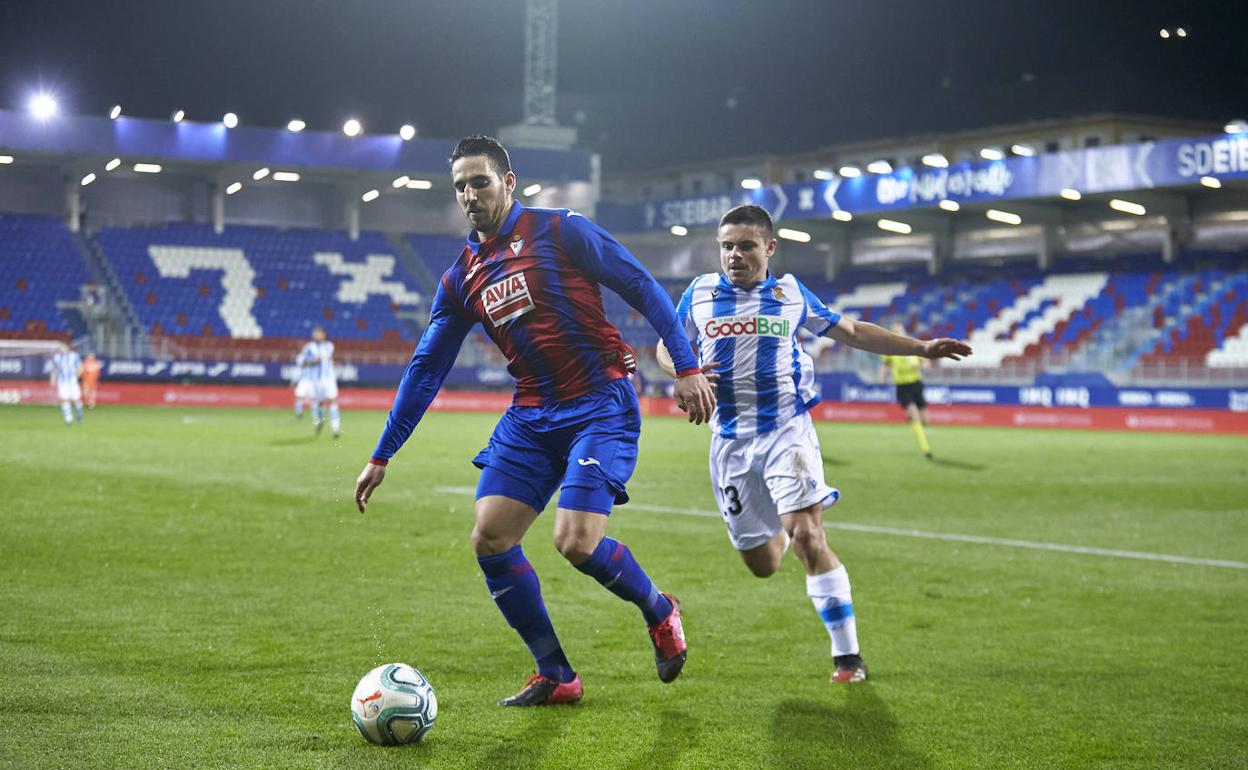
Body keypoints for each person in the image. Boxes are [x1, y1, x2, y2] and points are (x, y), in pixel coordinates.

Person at [354, 135, 716, 707]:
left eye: (480, 182)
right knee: (490, 537)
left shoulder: (562, 230)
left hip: (601, 402)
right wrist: (382, 454)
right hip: (531, 415)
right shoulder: (460, 278)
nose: (470, 194)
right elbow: (427, 368)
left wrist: (687, 366)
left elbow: (643, 286)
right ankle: (557, 674)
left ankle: (659, 610)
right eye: (460, 187)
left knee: (574, 542)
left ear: (508, 182)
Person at [657, 205, 971, 684]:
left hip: (787, 430)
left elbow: (853, 332)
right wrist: (682, 372)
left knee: (808, 535)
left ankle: (847, 658)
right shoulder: (699, 293)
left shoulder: (789, 294)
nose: (735, 255)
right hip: (730, 443)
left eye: (746, 245)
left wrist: (920, 347)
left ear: (769, 247)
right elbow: (669, 344)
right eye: (727, 246)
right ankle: (779, 527)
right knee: (762, 564)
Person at [878, 324, 933, 459]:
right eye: (894, 332)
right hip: (902, 386)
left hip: (916, 384)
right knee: (915, 417)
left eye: (899, 331)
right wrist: (881, 377)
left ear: (904, 331)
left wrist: (922, 366)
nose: (897, 333)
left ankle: (912, 419)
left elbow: (926, 362)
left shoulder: (913, 345)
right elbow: (885, 365)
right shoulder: (889, 350)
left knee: (924, 419)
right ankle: (926, 450)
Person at [299, 327, 340, 437]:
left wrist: (316, 360)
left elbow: (327, 358)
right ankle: (320, 420)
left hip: (329, 379)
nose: (316, 335)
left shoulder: (329, 346)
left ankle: (335, 428)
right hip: (316, 381)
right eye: (315, 334)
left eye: (318, 333)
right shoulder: (309, 347)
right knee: (319, 403)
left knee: (333, 400)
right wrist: (311, 361)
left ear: (323, 334)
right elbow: (302, 362)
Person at [49, 341, 84, 426]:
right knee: (64, 399)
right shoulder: (56, 357)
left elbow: (80, 367)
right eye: (60, 348)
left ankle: (79, 414)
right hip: (62, 382)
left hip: (72, 382)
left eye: (63, 347)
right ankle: (68, 419)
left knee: (76, 400)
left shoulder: (74, 356)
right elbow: (54, 370)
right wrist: (52, 379)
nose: (62, 349)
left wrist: (76, 376)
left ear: (67, 348)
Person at [292, 341, 318, 421]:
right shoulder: (300, 357)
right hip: (303, 380)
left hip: (312, 380)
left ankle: (315, 414)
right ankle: (298, 413)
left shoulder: (313, 357)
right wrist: (312, 361)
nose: (306, 350)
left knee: (314, 398)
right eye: (305, 348)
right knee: (299, 396)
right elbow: (303, 364)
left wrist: (313, 360)